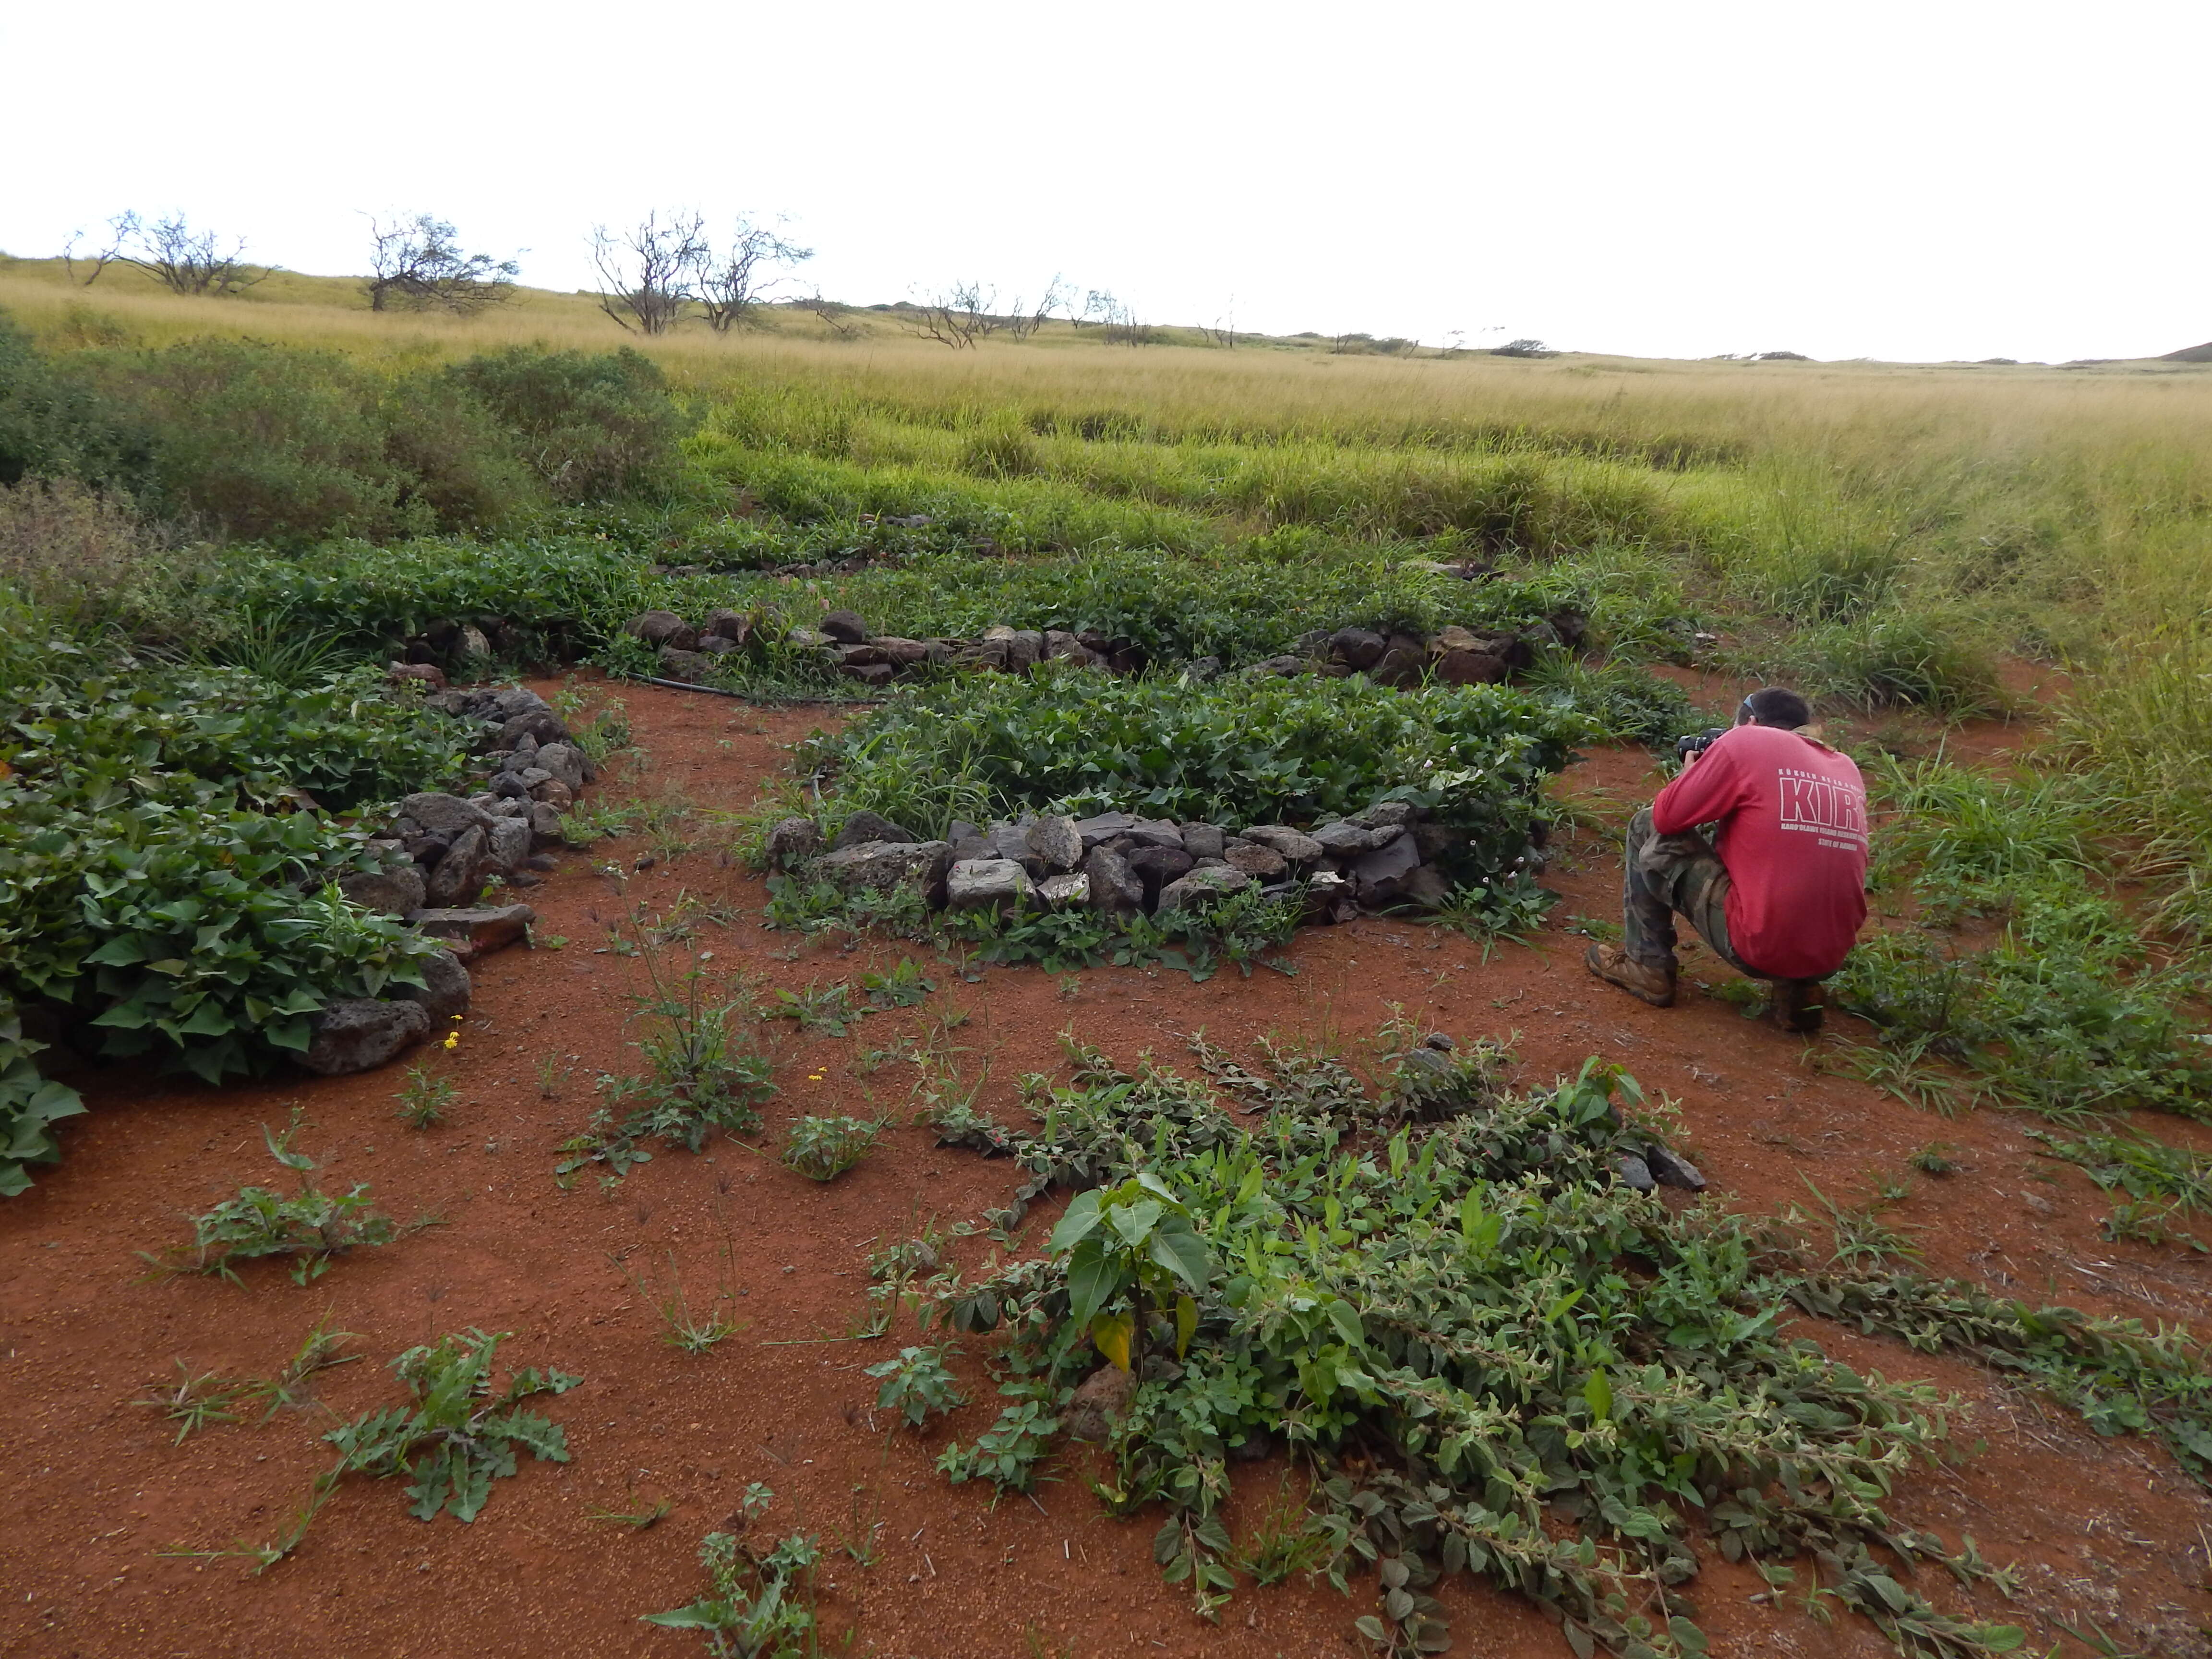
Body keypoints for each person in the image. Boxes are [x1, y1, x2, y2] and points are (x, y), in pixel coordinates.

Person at [1584, 686, 1868, 1034]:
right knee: (1791, 865)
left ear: (1750, 722)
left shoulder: (1747, 741)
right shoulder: (1845, 767)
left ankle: (1647, 964)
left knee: (1646, 824)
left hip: (1759, 944)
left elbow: (1666, 818)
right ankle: (1800, 992)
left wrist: (1692, 777)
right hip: (1828, 956)